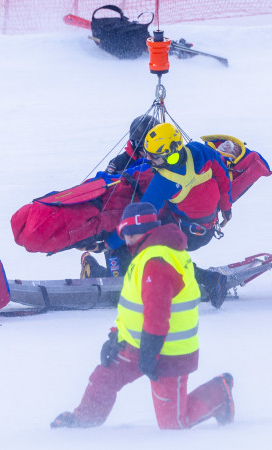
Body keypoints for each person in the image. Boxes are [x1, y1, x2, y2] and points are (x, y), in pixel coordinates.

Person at [51, 202, 235, 430]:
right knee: (104, 378)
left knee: (173, 424)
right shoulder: (147, 253)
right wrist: (115, 335)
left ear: (144, 230)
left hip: (169, 352)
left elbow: (157, 312)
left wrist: (150, 351)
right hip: (137, 343)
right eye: (124, 234)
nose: (127, 240)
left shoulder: (156, 260)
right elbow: (134, 305)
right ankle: (83, 423)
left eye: (130, 234)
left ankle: (220, 393)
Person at [90, 123, 234, 307]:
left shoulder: (164, 181)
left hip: (185, 234)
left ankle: (210, 279)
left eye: (154, 157)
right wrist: (226, 207)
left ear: (171, 154)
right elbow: (222, 173)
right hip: (207, 227)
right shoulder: (198, 150)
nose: (148, 159)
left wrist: (106, 243)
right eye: (146, 153)